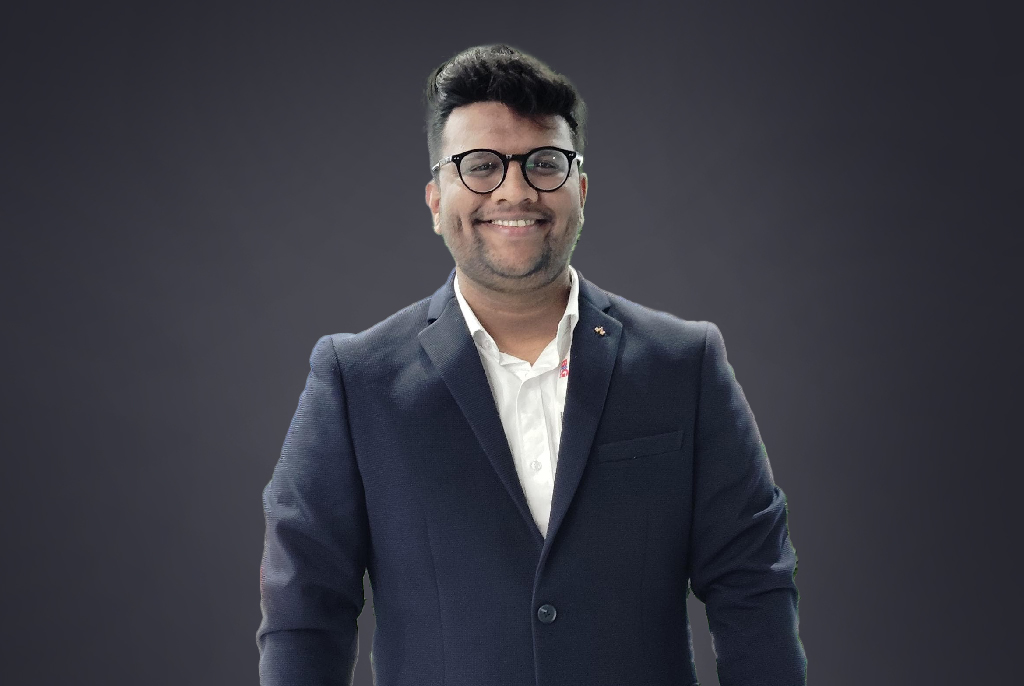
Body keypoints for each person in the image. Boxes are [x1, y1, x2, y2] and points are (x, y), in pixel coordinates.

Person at [257, 44, 806, 686]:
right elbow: (305, 610)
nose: (515, 190)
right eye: (480, 166)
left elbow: (752, 583)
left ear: (581, 189)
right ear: (435, 200)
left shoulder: (683, 365)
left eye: (544, 163)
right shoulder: (357, 381)